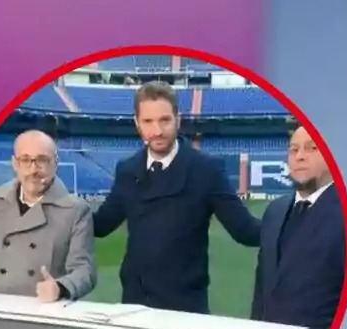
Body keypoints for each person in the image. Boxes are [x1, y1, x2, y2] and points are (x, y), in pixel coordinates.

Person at [92, 82, 261, 314]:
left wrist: (294, 221)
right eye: (148, 122)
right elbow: (101, 224)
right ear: (137, 124)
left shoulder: (206, 170)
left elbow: (245, 230)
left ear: (177, 120)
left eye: (165, 120)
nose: (157, 130)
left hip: (186, 308)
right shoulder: (127, 170)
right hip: (134, 305)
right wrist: (59, 209)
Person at [0, 130, 97, 301]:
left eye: (42, 160)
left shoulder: (76, 210)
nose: (33, 169)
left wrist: (60, 287)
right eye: (25, 160)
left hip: (44, 315)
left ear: (55, 163)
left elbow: (84, 271)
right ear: (15, 163)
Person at [250, 125, 345, 328]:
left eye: (312, 148)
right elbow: (262, 289)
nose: (300, 156)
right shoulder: (274, 211)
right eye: (294, 149)